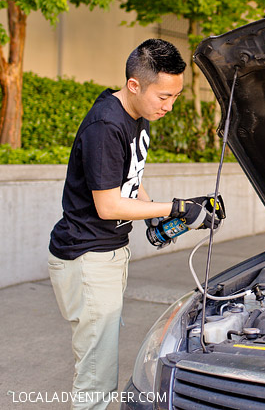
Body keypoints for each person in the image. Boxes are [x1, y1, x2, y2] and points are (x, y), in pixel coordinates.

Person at [48, 39, 215, 409]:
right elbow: (107, 205)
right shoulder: (106, 125)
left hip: (105, 255)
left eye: (175, 97)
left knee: (99, 365)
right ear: (135, 85)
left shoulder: (137, 115)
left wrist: (157, 213)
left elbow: (130, 181)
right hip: (88, 257)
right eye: (163, 97)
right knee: (97, 376)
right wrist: (175, 209)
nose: (169, 106)